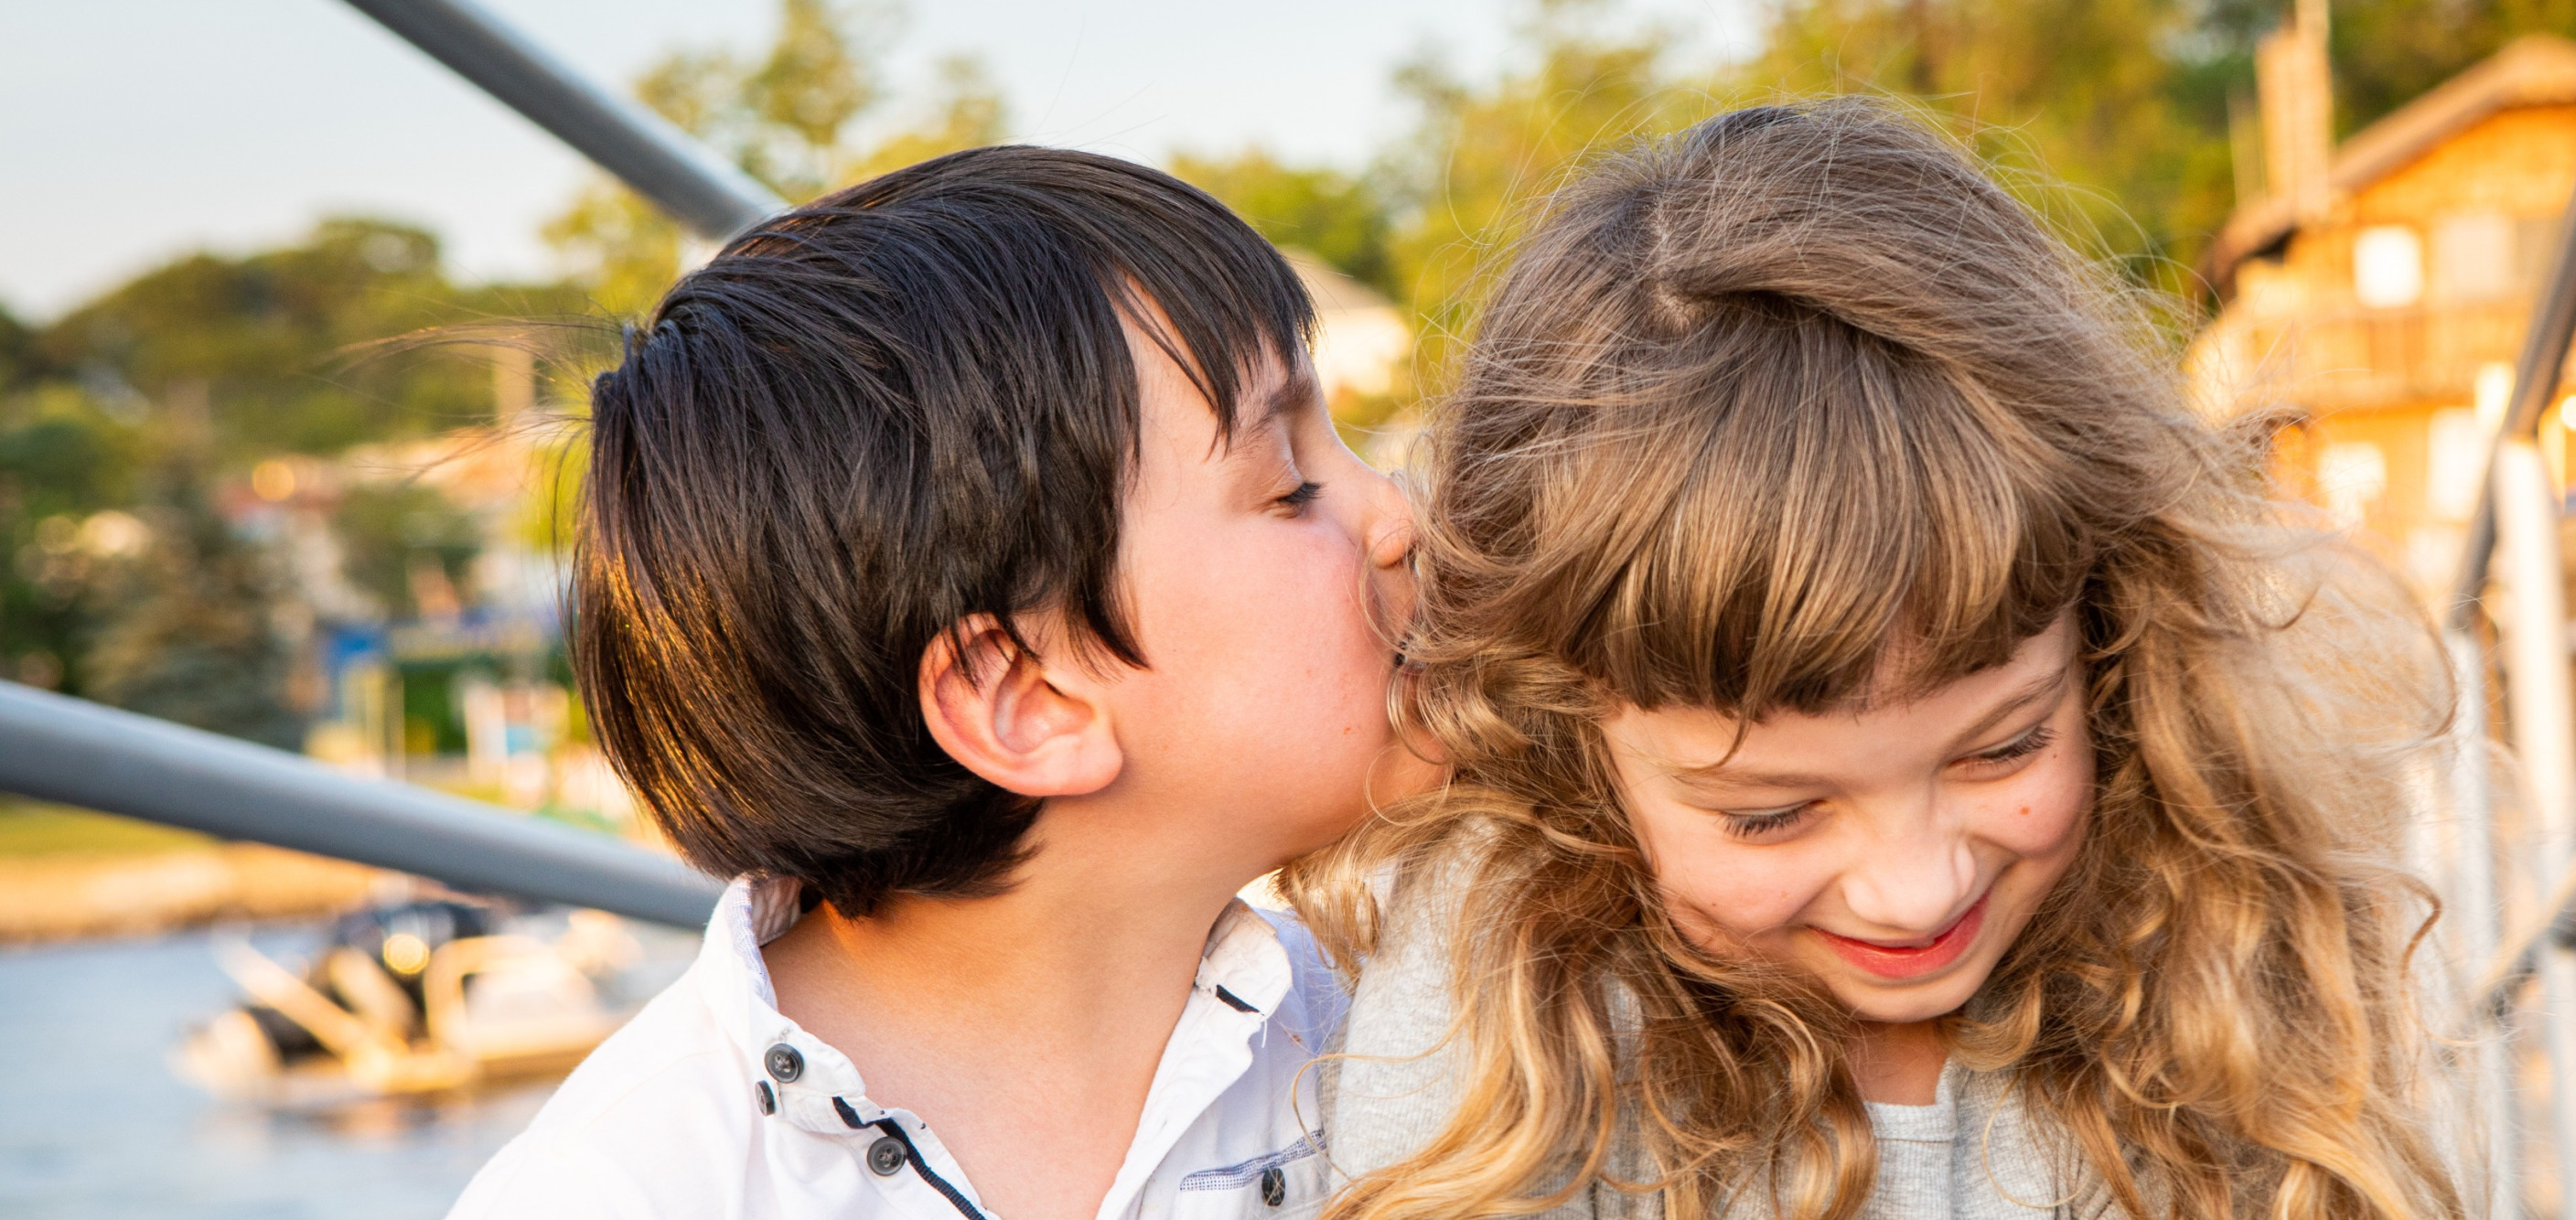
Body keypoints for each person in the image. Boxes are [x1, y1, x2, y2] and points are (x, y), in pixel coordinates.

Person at [1292, 101, 2463, 1220]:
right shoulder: (1503, 995)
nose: (1915, 890)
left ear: (2105, 634)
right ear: (1569, 741)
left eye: (2004, 744)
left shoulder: (2216, 926)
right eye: (1771, 814)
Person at [452, 146, 1422, 1220]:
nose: (1401, 515)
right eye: (1289, 486)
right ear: (1022, 700)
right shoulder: (628, 1188)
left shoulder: (1430, 1022)